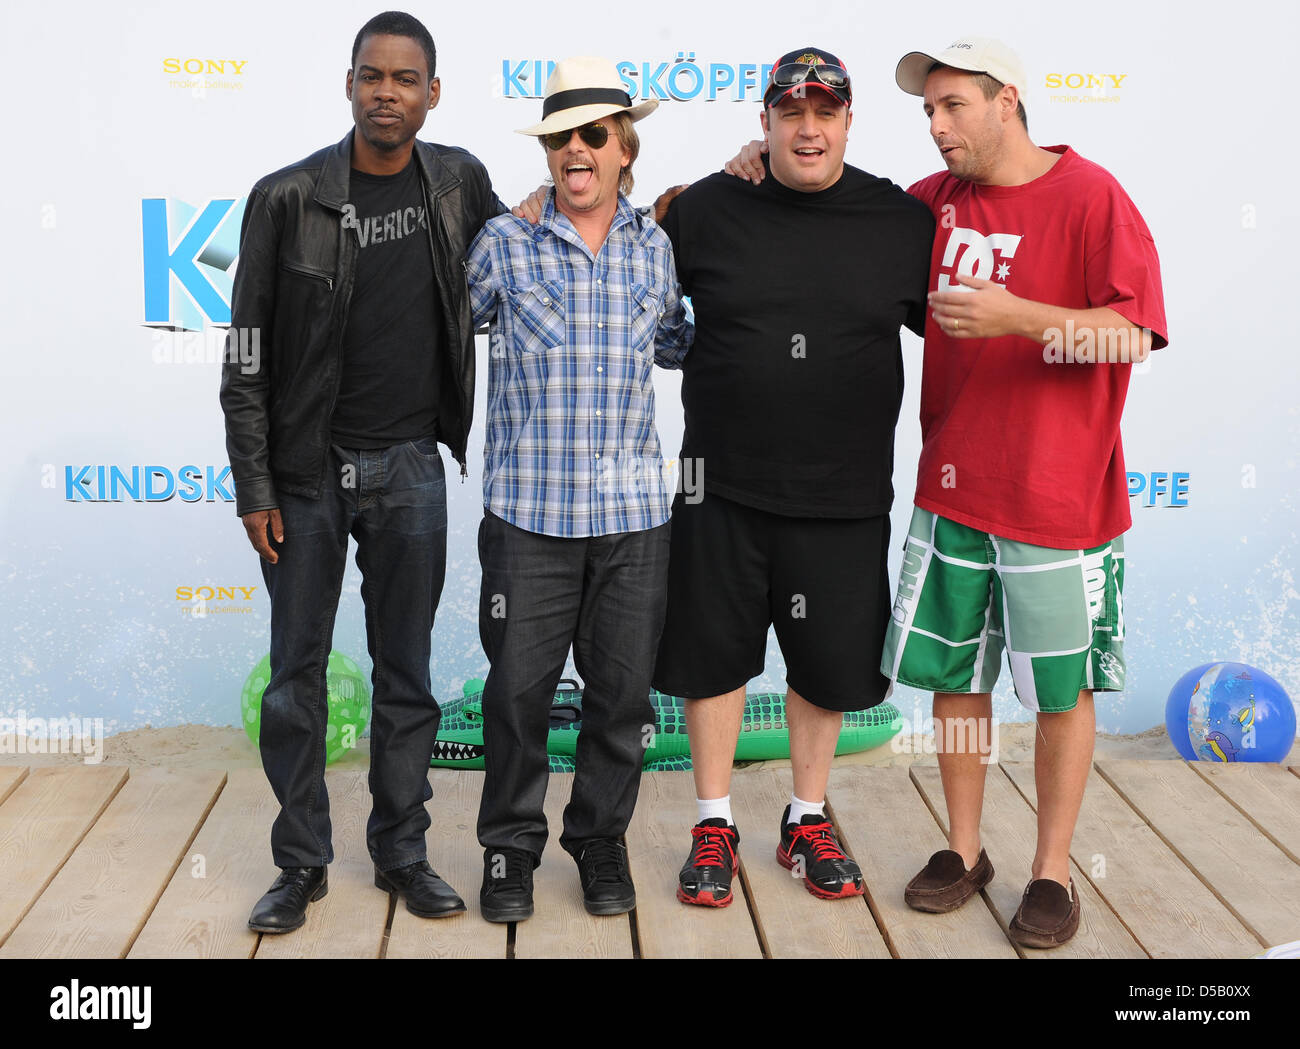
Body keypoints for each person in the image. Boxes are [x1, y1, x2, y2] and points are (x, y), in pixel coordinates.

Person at [220, 10, 505, 933]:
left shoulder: (460, 183)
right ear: (348, 84)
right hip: (306, 475)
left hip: (413, 465)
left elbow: (531, 257)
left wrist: (662, 206)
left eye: (404, 77)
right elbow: (248, 357)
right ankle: (300, 863)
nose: (387, 91)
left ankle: (402, 851)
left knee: (407, 673)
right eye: (371, 75)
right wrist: (255, 486)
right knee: (296, 676)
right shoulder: (286, 198)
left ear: (433, 91)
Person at [883, 37, 1168, 947]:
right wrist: (745, 168)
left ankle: (1050, 869)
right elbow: (836, 222)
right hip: (953, 490)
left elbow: (1133, 335)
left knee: (1059, 691)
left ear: (1008, 100)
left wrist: (1020, 319)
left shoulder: (1091, 197)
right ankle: (964, 850)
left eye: (953, 106)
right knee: (958, 688)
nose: (936, 126)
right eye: (927, 111)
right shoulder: (934, 204)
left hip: (1059, 501)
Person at [653, 49, 934, 907]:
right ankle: (712, 820)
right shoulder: (704, 209)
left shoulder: (900, 221)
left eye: (825, 111)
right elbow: (614, 252)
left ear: (849, 120)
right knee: (713, 658)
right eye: (791, 112)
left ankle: (806, 816)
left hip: (844, 493)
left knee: (825, 665)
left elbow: (965, 332)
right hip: (719, 487)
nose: (808, 128)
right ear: (764, 122)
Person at [464, 56, 692, 922]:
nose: (575, 150)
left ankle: (600, 841)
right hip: (528, 516)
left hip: (634, 519)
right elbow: (441, 337)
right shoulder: (504, 243)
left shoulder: (656, 248)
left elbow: (674, 344)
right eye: (560, 137)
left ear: (624, 147)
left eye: (592, 134)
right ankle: (508, 849)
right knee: (518, 694)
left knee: (622, 698)